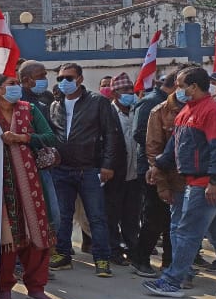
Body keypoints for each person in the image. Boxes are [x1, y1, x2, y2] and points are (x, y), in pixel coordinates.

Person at [144, 68, 216, 299]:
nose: (178, 89)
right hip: (202, 182)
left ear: (193, 87)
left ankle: (173, 280)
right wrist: (158, 166)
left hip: (207, 183)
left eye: (181, 85)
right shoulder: (187, 111)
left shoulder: (213, 112)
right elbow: (175, 145)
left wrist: (213, 181)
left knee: (187, 232)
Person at [0, 76, 57, 299]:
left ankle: (36, 286)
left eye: (16, 83)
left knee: (37, 232)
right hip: (0, 183)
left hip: (32, 183)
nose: (15, 88)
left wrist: (22, 138)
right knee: (6, 236)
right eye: (9, 83)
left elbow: (50, 137)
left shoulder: (29, 109)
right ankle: (4, 287)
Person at [48, 63, 124, 277]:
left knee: (97, 216)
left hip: (89, 169)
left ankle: (101, 258)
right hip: (62, 169)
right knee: (63, 215)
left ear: (80, 79)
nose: (65, 82)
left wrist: (107, 165)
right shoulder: (56, 105)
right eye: (61, 78)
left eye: (69, 78)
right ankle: (62, 254)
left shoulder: (97, 102)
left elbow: (112, 135)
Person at [131, 69, 179, 278]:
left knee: (172, 220)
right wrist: (160, 161)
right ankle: (140, 259)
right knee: (154, 217)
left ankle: (169, 263)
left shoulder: (178, 105)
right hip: (152, 167)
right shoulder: (152, 103)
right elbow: (141, 135)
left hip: (175, 170)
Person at [104, 72, 142, 266]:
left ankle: (132, 249)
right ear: (115, 93)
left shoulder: (137, 110)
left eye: (131, 89)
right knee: (112, 214)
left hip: (134, 174)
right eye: (125, 90)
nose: (129, 93)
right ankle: (114, 250)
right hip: (115, 173)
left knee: (132, 215)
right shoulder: (108, 113)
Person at [18, 61, 54, 126]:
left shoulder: (48, 96)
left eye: (45, 75)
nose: (45, 79)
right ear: (26, 80)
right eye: (40, 76)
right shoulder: (16, 100)